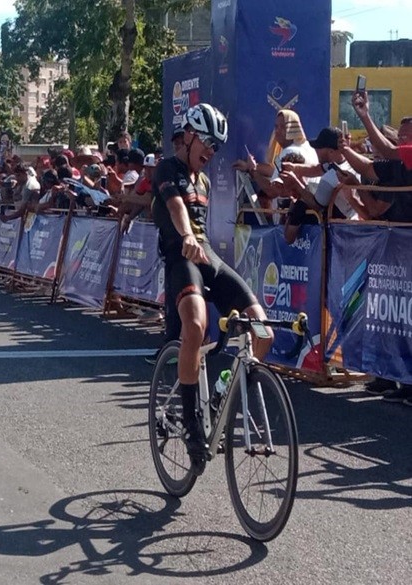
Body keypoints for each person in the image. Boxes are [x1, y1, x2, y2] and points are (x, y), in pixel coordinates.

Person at [152, 103, 272, 473]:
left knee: (262, 331)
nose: (211, 151)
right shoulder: (168, 168)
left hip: (207, 258)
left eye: (217, 146)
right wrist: (186, 236)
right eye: (206, 142)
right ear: (187, 136)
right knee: (197, 326)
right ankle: (191, 425)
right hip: (181, 258)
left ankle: (221, 390)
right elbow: (175, 206)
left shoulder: (202, 180)